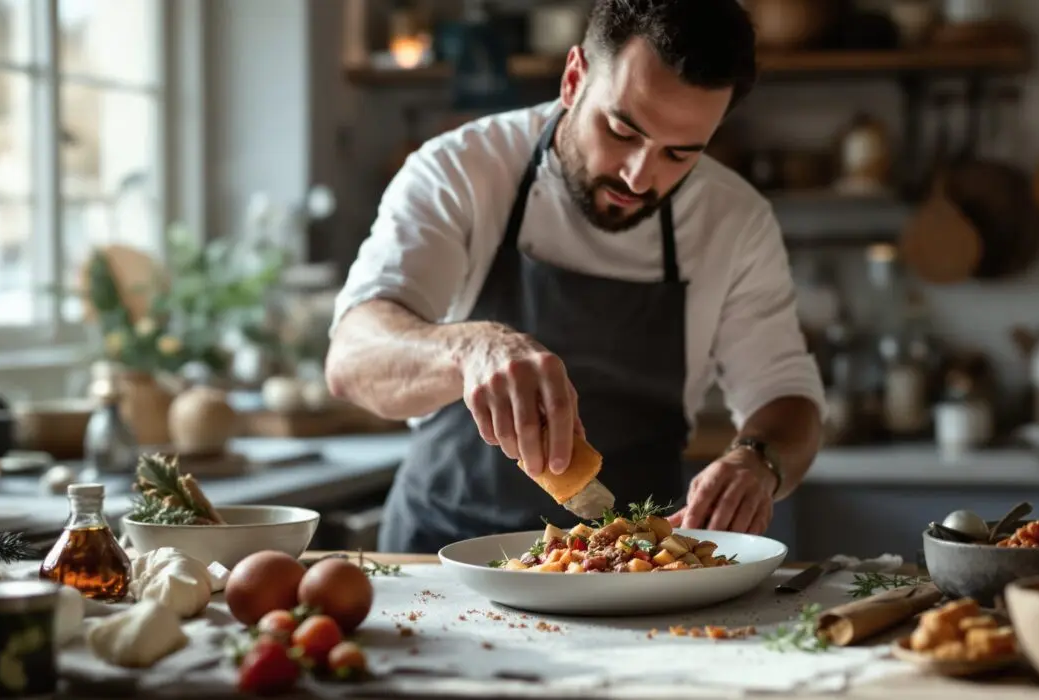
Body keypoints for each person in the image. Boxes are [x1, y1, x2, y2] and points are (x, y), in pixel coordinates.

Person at [326, 0, 824, 554]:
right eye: (621, 131)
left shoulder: (734, 219)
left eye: (680, 154)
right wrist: (469, 350)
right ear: (573, 79)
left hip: (634, 568)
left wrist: (759, 460)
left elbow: (786, 395)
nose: (639, 177)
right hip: (441, 555)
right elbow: (351, 359)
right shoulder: (461, 169)